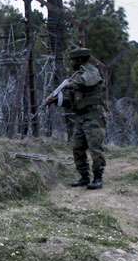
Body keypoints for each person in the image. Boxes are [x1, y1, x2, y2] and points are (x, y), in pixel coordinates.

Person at [45, 47, 108, 189]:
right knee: (77, 148)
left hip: (94, 117)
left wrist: (69, 85)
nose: (71, 63)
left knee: (95, 148)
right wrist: (56, 100)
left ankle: (98, 178)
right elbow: (72, 102)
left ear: (80, 60)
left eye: (73, 60)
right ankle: (84, 177)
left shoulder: (91, 72)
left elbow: (86, 81)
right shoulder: (77, 76)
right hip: (81, 117)